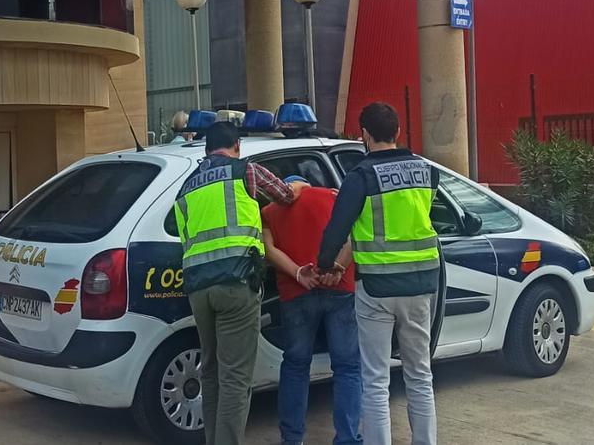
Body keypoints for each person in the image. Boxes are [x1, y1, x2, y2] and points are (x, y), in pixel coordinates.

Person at [170, 121, 305, 445]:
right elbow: (285, 196)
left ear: (205, 150)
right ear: (237, 146)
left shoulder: (185, 187)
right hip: (236, 283)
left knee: (212, 372)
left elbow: (180, 231)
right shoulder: (247, 171)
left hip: (199, 290)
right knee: (235, 379)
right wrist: (301, 186)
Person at [316, 102, 440, 445]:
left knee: (375, 380)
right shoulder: (426, 171)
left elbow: (337, 229)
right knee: (420, 375)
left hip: (377, 288)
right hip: (419, 285)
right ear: (398, 132)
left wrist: (325, 265)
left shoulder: (361, 177)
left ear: (364, 136)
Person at [260, 175, 361, 445]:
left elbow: (267, 250)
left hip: (297, 293)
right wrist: (335, 268)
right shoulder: (333, 197)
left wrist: (298, 273)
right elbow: (356, 233)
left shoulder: (269, 211)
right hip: (339, 289)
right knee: (347, 367)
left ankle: (292, 439)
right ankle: (348, 439)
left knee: (295, 365)